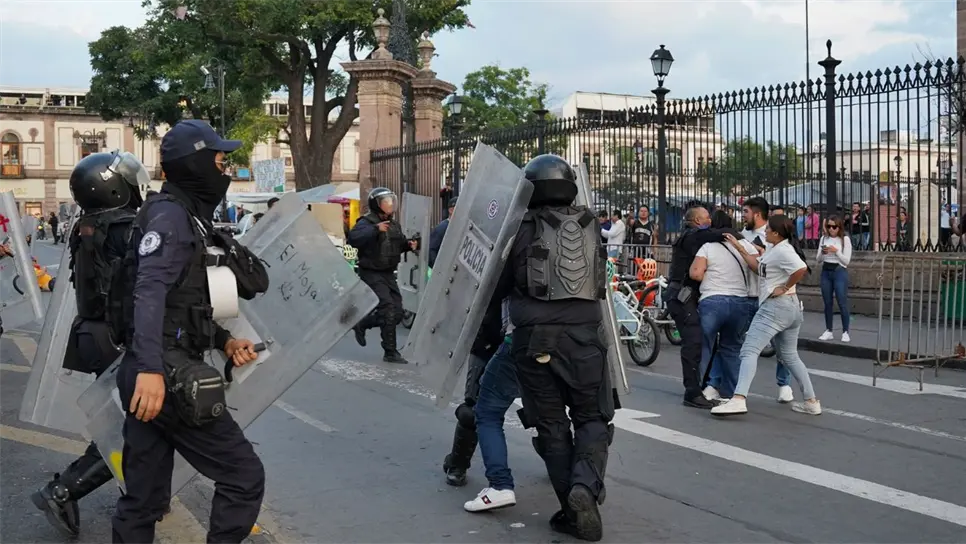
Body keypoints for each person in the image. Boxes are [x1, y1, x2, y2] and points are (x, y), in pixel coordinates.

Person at [111, 120, 265, 543]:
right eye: (219, 160)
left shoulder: (184, 216)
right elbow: (149, 292)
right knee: (243, 475)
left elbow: (181, 305)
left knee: (143, 499)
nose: (225, 169)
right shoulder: (171, 217)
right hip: (164, 374)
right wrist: (150, 369)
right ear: (196, 165)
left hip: (155, 369)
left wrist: (225, 340)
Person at [492, 154, 612, 541]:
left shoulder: (519, 228)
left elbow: (497, 285)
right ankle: (585, 486)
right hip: (586, 336)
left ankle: (573, 513)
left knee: (551, 425)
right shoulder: (592, 225)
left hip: (534, 338)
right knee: (592, 417)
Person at [31, 151, 150, 537]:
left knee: (128, 423)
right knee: (136, 428)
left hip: (93, 333)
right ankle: (64, 490)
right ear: (112, 187)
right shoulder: (125, 227)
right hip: (114, 336)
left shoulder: (88, 224)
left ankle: (136, 490)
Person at [712, 215, 822, 417]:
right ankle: (811, 401)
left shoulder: (783, 250)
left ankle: (738, 399)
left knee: (749, 350)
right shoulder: (775, 248)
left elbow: (800, 268)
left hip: (775, 307)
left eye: (768, 229)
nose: (765, 231)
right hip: (791, 307)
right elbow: (758, 268)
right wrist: (739, 247)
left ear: (777, 233)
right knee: (790, 356)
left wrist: (784, 287)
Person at [665, 205, 741, 409]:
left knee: (702, 341)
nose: (710, 221)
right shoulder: (692, 236)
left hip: (686, 295)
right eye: (707, 217)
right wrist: (735, 234)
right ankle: (692, 392)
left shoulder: (694, 237)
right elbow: (720, 234)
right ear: (698, 221)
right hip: (682, 296)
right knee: (693, 341)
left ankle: (703, 385)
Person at [688, 210, 756, 400]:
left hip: (713, 301)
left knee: (704, 347)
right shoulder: (744, 244)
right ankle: (733, 393)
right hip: (740, 302)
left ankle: (698, 390)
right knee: (732, 348)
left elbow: (696, 274)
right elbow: (757, 265)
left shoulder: (708, 246)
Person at [348, 188, 418, 364]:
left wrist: (409, 244)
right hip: (371, 272)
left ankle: (363, 323)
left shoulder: (393, 225)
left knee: (398, 312)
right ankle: (390, 352)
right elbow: (353, 238)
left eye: (390, 201)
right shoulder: (366, 222)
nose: (389, 205)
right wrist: (375, 229)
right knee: (387, 308)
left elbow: (397, 244)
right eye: (385, 202)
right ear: (376, 204)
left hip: (387, 273)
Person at [463, 300, 520, 512]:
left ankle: (500, 485)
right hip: (571, 341)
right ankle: (577, 486)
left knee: (485, 412)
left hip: (517, 337)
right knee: (551, 416)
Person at [739, 197, 794, 404]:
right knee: (740, 345)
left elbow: (795, 266)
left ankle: (784, 384)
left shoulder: (775, 236)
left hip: (770, 298)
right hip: (747, 294)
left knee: (782, 346)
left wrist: (785, 288)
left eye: (745, 212)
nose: (743, 216)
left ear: (757, 214)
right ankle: (729, 387)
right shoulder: (742, 235)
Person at [816, 215, 852, 343]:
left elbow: (846, 261)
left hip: (839, 271)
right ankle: (829, 330)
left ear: (839, 227)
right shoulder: (823, 238)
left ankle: (845, 331)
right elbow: (818, 259)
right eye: (829, 226)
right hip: (826, 270)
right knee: (827, 302)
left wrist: (836, 251)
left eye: (834, 226)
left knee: (842, 301)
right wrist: (823, 252)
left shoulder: (844, 240)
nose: (831, 229)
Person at [428, 197, 457, 268]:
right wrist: (437, 269)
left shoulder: (459, 227)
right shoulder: (442, 227)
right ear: (451, 210)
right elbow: (431, 250)